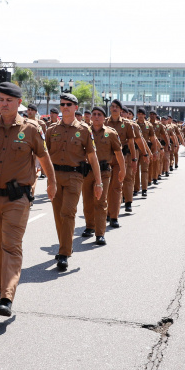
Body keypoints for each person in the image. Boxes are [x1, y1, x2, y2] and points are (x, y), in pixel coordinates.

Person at [0, 82, 55, 315]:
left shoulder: (31, 129)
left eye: (9, 100)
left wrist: (52, 183)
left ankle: (7, 296)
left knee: (11, 246)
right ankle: (0, 287)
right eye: (1, 100)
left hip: (18, 198)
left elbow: (44, 158)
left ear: (18, 103)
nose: (4, 104)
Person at [46, 92, 102, 270]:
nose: (65, 107)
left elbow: (93, 158)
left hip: (75, 177)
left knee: (68, 213)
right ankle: (64, 246)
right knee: (58, 215)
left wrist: (99, 182)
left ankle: (64, 253)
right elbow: (42, 155)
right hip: (55, 177)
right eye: (62, 104)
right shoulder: (51, 130)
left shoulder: (84, 130)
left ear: (75, 107)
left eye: (68, 104)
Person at [81, 106, 125, 245]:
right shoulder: (84, 132)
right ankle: (89, 226)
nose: (96, 116)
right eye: (94, 114)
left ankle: (100, 233)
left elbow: (118, 153)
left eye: (99, 114)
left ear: (104, 117)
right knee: (88, 201)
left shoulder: (110, 133)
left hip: (104, 171)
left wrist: (122, 170)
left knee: (100, 202)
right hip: (87, 171)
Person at [104, 100, 142, 224]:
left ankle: (114, 216)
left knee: (116, 186)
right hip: (105, 158)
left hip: (121, 158)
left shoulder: (126, 124)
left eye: (117, 107)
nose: (114, 109)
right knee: (106, 187)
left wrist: (134, 159)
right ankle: (108, 212)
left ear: (121, 110)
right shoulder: (104, 122)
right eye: (112, 106)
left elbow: (131, 143)